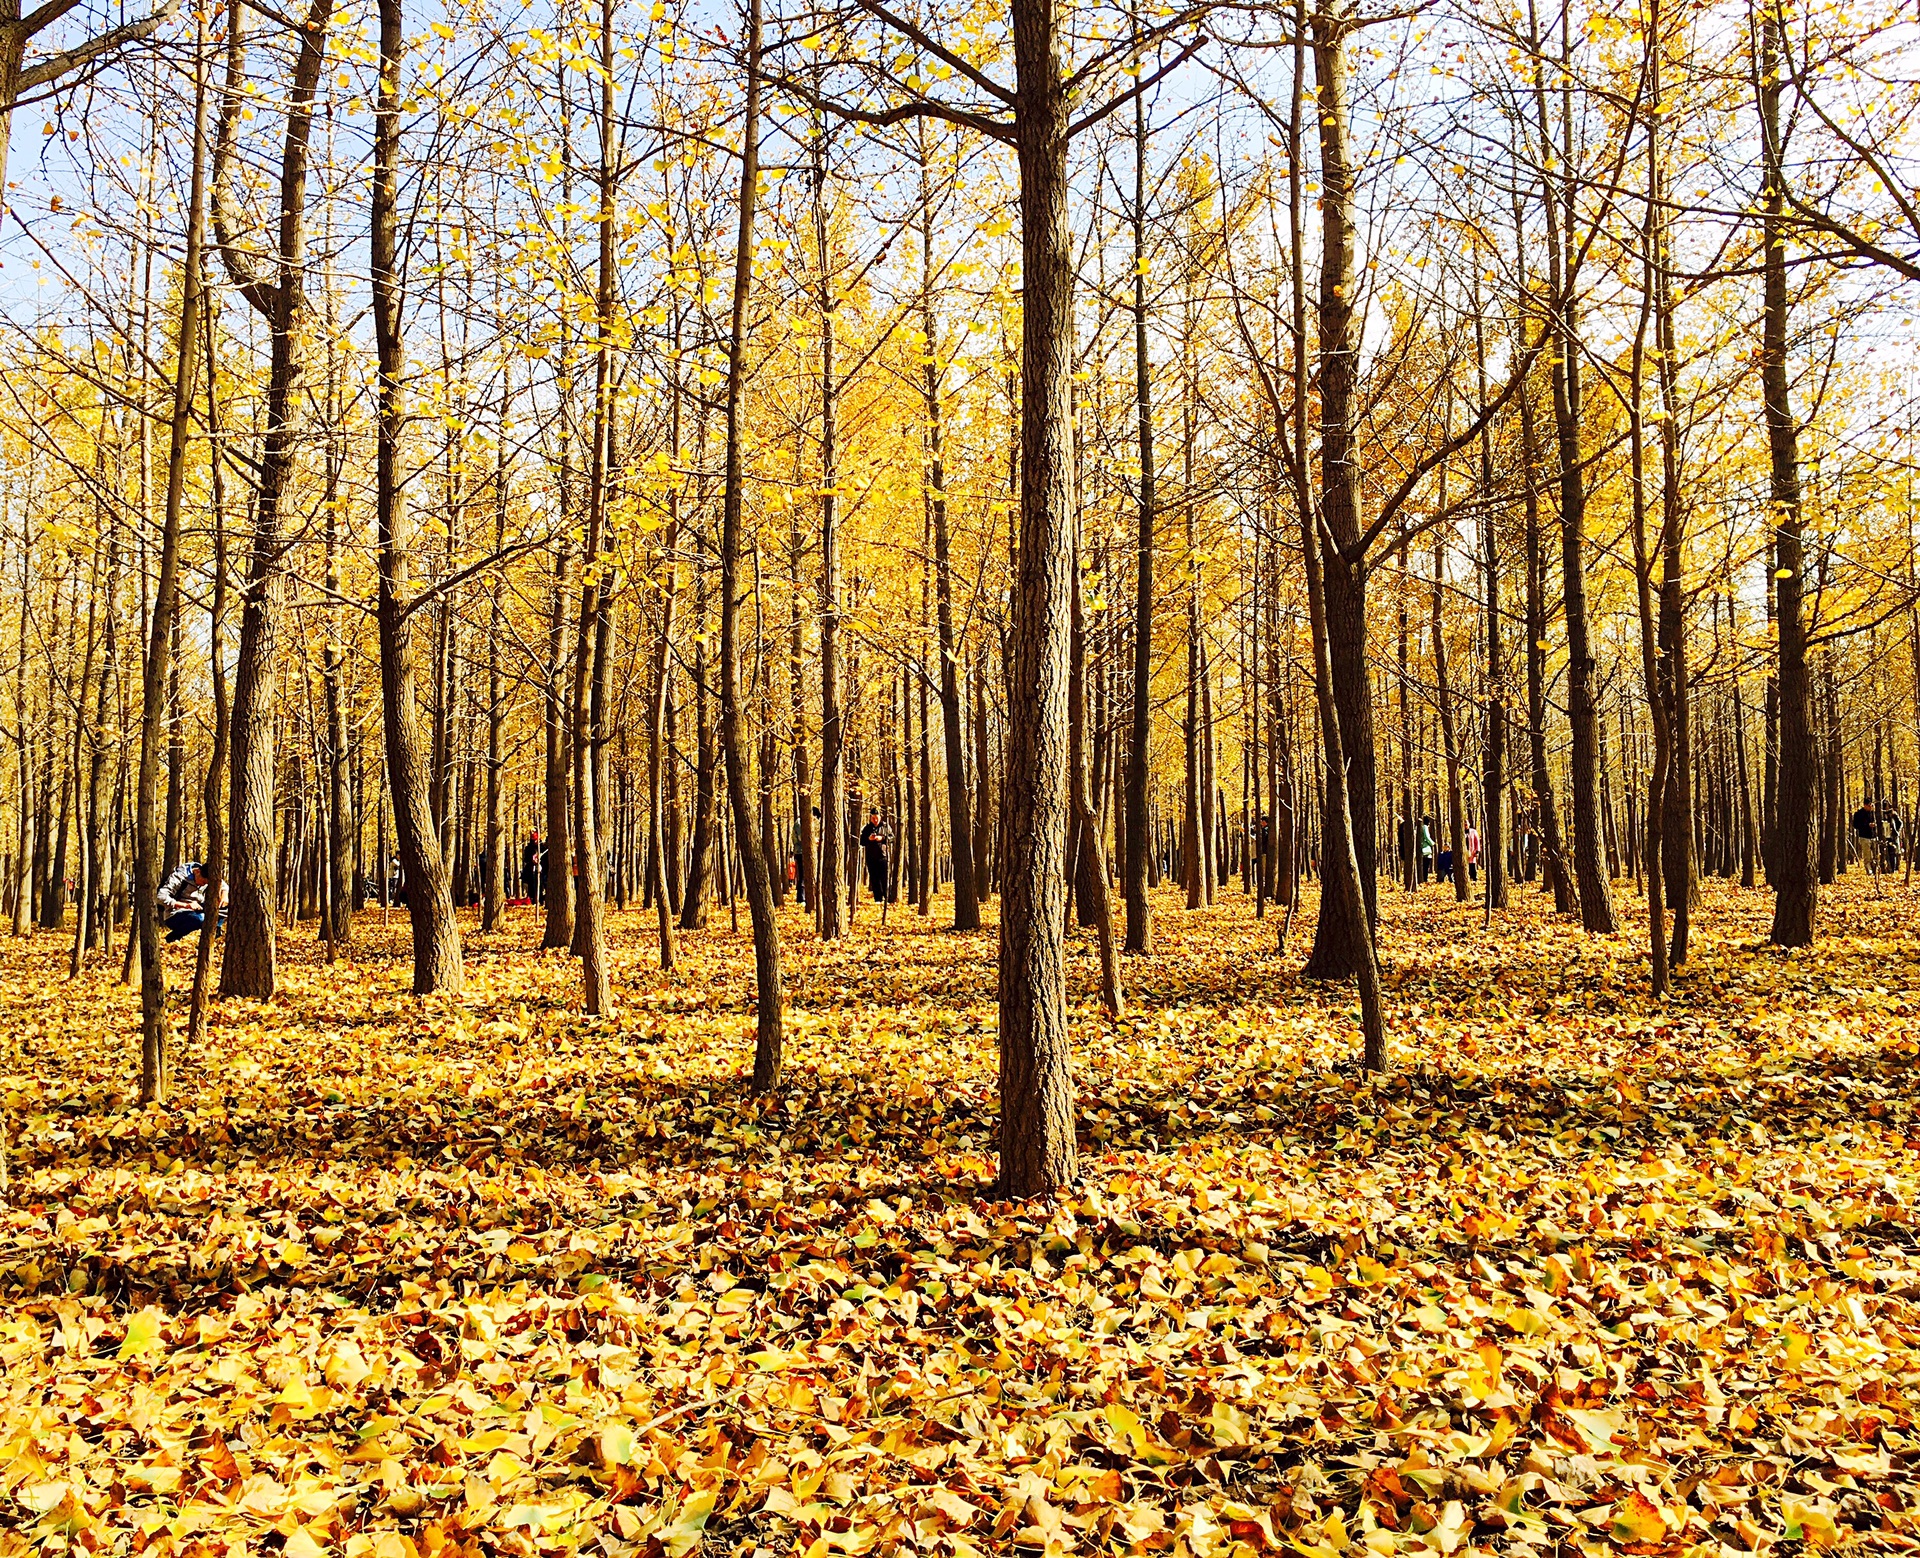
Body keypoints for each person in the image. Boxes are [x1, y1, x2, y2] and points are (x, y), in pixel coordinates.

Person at [157, 861, 223, 942]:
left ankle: (217, 929)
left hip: (198, 909)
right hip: (176, 914)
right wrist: (186, 905)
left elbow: (224, 885)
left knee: (224, 907)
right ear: (197, 872)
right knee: (201, 919)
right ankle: (173, 937)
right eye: (203, 882)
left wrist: (225, 895)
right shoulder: (179, 877)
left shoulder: (206, 874)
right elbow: (160, 897)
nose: (203, 885)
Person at [860, 809, 890, 902]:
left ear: (880, 817)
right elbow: (862, 842)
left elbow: (892, 837)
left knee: (884, 878)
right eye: (873, 818)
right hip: (871, 857)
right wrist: (869, 838)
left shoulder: (885, 827)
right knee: (874, 879)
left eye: (876, 818)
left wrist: (882, 838)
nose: (875, 820)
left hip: (883, 856)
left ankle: (887, 897)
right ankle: (878, 899)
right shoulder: (867, 828)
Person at [521, 832, 542, 903]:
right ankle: (532, 900)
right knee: (531, 886)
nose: (535, 842)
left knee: (540, 886)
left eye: (536, 840)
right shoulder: (528, 848)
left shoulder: (541, 847)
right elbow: (525, 859)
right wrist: (532, 860)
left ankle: (540, 900)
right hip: (530, 871)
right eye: (533, 840)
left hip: (540, 870)